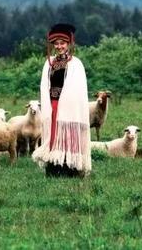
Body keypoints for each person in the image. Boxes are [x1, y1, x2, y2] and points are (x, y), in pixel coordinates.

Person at [32, 23, 92, 177]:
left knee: (67, 136)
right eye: (56, 44)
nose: (59, 46)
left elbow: (76, 89)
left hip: (68, 108)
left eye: (62, 43)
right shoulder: (49, 63)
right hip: (52, 105)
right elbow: (45, 85)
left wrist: (65, 103)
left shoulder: (75, 64)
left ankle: (70, 168)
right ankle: (53, 168)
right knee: (53, 136)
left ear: (68, 44)